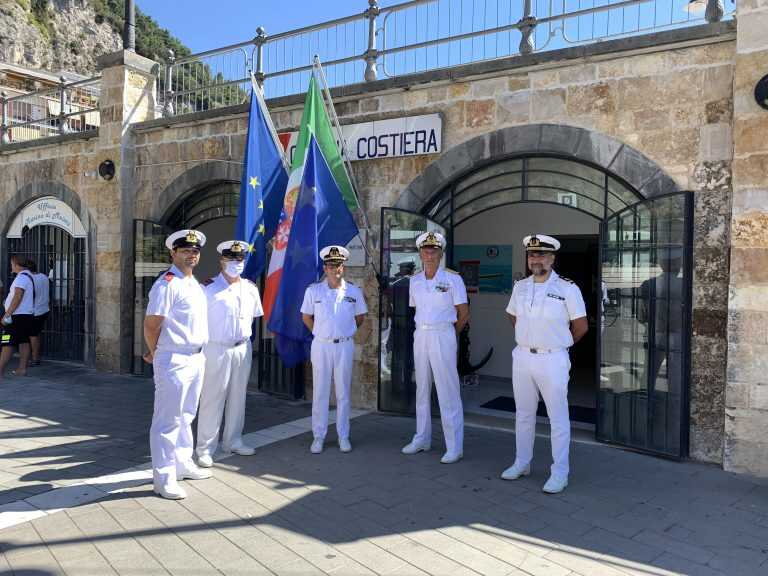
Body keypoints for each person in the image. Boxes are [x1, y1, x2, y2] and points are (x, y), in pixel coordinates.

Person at [501, 234, 588, 494]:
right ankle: (522, 463)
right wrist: (530, 337)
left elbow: (581, 326)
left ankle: (560, 472)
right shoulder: (521, 286)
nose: (535, 259)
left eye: (541, 255)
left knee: (557, 418)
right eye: (531, 255)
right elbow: (512, 315)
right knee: (524, 414)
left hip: (553, 359)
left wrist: (558, 344)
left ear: (552, 258)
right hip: (523, 356)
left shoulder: (567, 288)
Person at [143, 229, 211, 500]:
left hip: (196, 357)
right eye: (185, 250)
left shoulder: (193, 283)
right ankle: (163, 478)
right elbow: (151, 325)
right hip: (174, 358)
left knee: (186, 416)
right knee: (167, 421)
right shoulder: (167, 284)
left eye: (194, 251)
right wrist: (155, 353)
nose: (191, 255)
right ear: (173, 252)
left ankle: (183, 463)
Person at [401, 231, 469, 464]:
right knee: (421, 388)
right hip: (421, 335)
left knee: (447, 390)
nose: (429, 254)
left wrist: (450, 334)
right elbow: (416, 310)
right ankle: (422, 438)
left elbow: (463, 314)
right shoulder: (415, 280)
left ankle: (454, 446)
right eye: (425, 250)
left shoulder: (453, 279)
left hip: (443, 335)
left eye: (433, 250)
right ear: (420, 253)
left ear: (441, 253)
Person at [196, 240, 264, 468]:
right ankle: (205, 448)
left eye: (240, 260)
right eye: (231, 259)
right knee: (212, 398)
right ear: (221, 261)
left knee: (238, 397)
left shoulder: (250, 288)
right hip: (216, 348)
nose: (236, 263)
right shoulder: (208, 289)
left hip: (242, 348)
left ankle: (233, 440)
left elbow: (254, 317)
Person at [301, 245, 367, 454]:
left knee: (343, 394)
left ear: (343, 267)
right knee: (320, 393)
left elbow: (361, 317)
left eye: (338, 265)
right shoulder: (313, 291)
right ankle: (318, 437)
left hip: (344, 346)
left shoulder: (353, 291)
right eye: (330, 265)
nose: (334, 269)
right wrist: (319, 332)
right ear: (325, 267)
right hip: (321, 346)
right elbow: (306, 317)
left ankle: (343, 436)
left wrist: (345, 331)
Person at [0, 255, 35, 379]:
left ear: (16, 264)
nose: (11, 266)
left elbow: (18, 296)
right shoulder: (28, 276)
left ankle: (0, 371)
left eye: (11, 264)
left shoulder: (21, 278)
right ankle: (22, 369)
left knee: (7, 342)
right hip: (24, 315)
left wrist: (7, 314)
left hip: (16, 316)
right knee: (23, 341)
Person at [28, 260, 50, 366]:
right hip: (44, 309)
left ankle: (35, 358)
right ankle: (35, 355)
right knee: (36, 334)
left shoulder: (29, 279)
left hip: (34, 311)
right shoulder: (44, 277)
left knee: (33, 335)